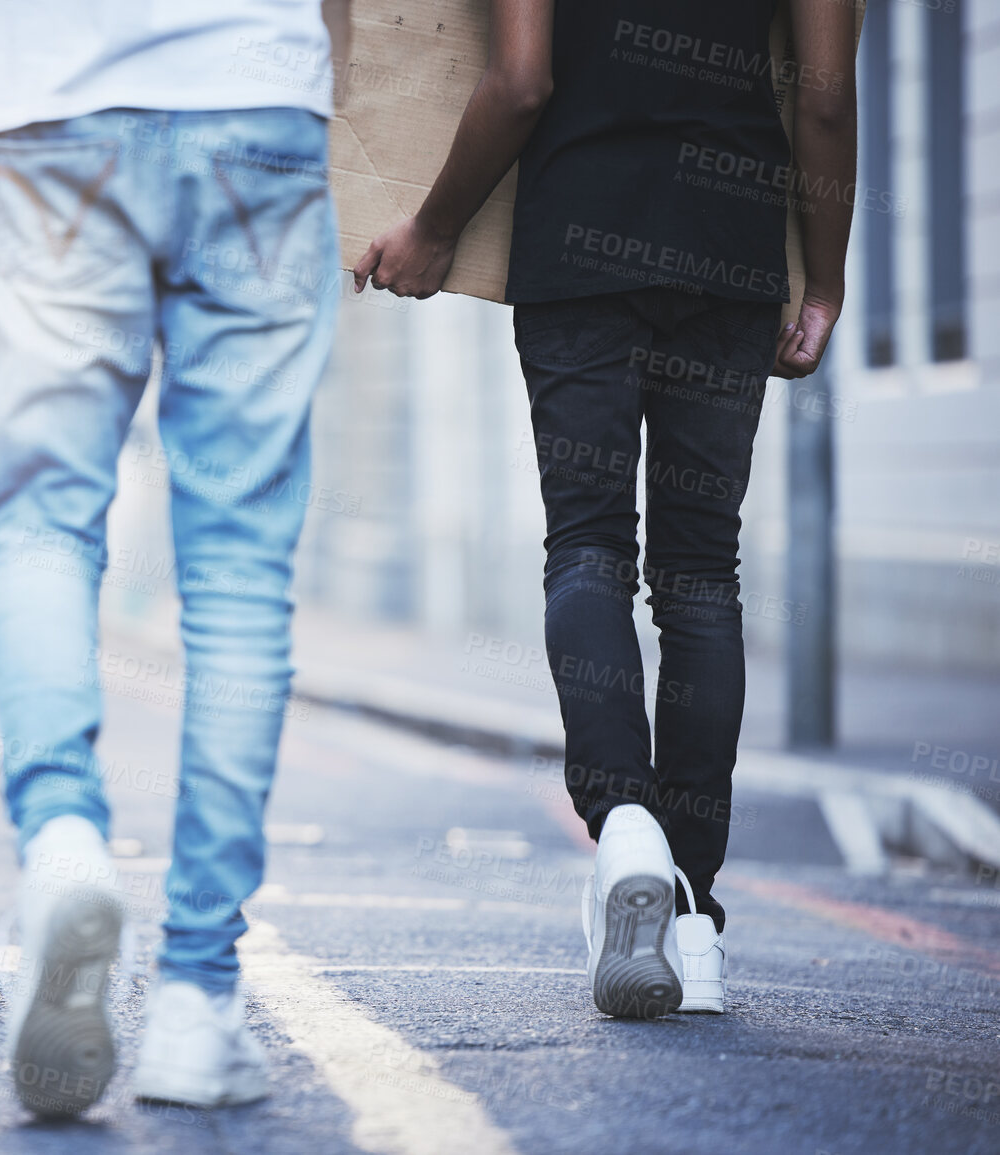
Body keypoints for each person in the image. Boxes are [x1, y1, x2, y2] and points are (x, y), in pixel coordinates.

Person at [355, 0, 856, 1018]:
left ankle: (624, 819)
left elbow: (520, 82)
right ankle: (696, 920)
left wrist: (434, 226)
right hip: (729, 243)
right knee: (701, 577)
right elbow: (828, 103)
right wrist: (827, 282)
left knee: (588, 546)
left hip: (581, 245)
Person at [0, 0, 339, 1115]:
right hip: (259, 95)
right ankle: (196, 1003)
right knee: (237, 564)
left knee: (43, 518)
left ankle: (64, 842)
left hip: (54, 103)